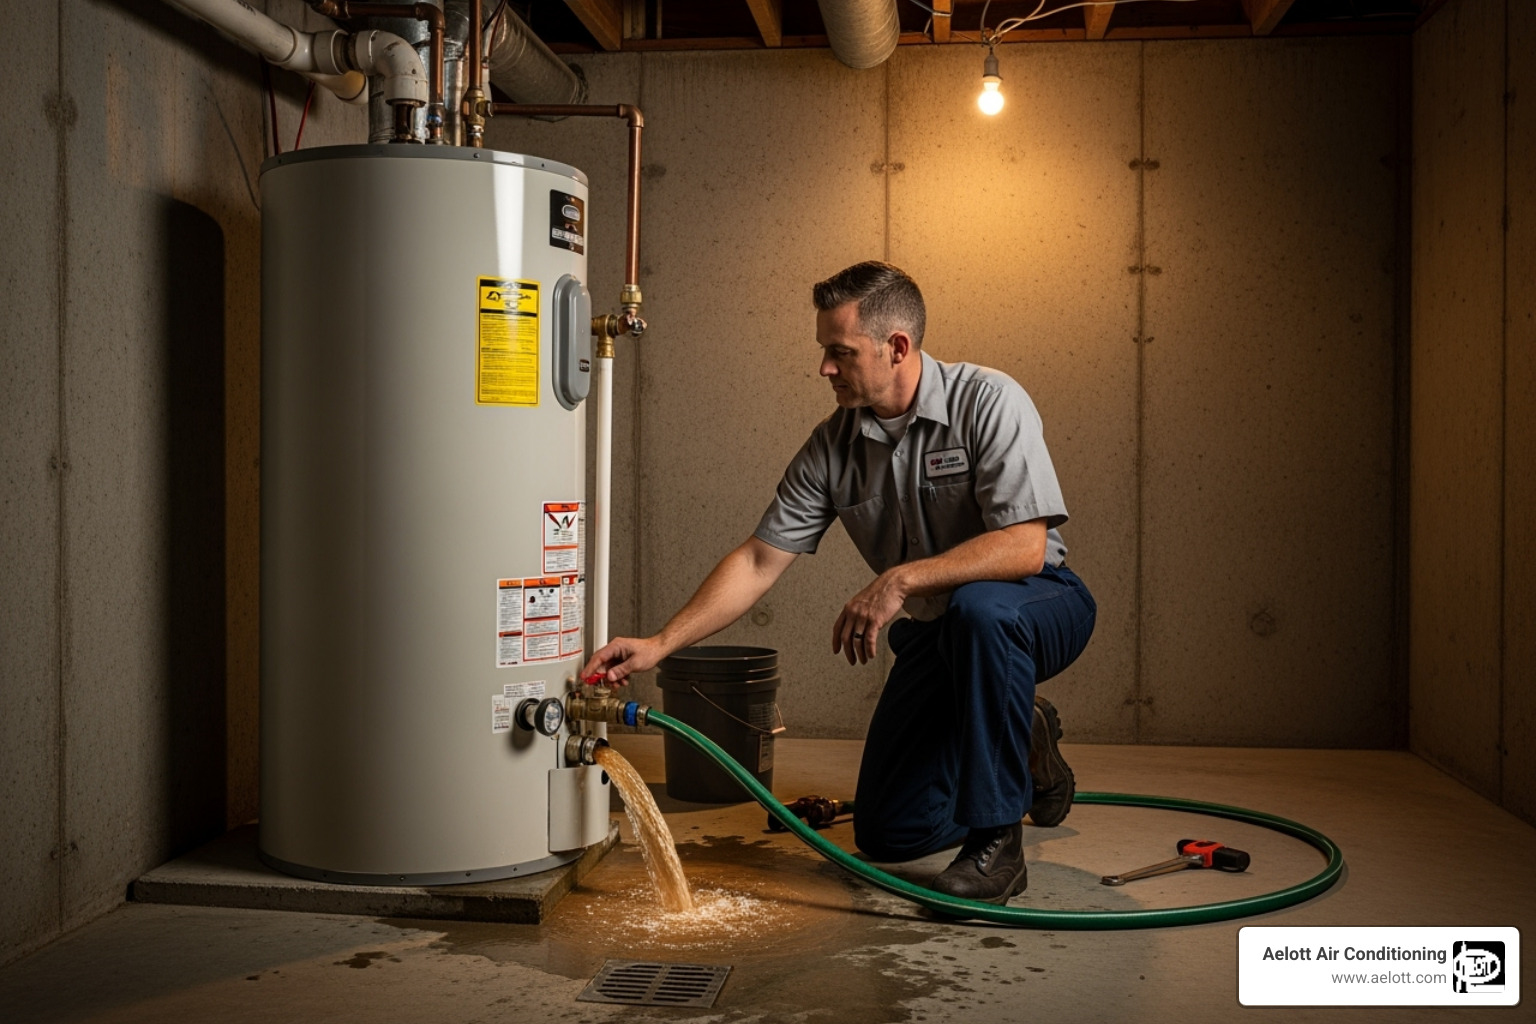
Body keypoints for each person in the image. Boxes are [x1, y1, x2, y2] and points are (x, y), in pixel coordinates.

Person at [582, 261, 1097, 905]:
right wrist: (661, 643)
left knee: (982, 609)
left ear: (897, 348)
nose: (825, 367)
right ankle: (1019, 743)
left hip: (1036, 607)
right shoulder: (833, 447)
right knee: (889, 834)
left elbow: (1023, 546)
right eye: (825, 351)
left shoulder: (989, 401)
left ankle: (998, 847)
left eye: (840, 352)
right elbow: (758, 561)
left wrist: (901, 578)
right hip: (947, 635)